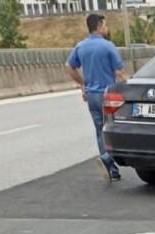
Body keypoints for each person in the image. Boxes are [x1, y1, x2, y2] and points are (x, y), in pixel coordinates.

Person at [65, 14, 127, 183]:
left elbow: (69, 66)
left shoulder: (81, 46)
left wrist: (83, 84)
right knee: (118, 129)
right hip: (107, 95)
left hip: (91, 95)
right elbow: (120, 73)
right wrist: (127, 93)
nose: (107, 29)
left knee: (101, 131)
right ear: (99, 26)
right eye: (105, 25)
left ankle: (111, 171)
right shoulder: (108, 46)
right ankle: (107, 159)